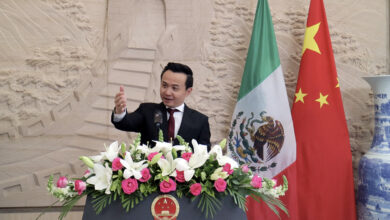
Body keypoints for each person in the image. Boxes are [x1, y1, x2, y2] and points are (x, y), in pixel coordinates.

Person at [111, 62, 211, 149]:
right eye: (164, 85)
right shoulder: (147, 111)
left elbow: (204, 155)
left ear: (188, 91)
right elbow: (125, 123)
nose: (167, 92)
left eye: (174, 88)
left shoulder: (200, 121)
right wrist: (120, 111)